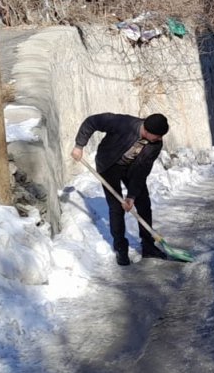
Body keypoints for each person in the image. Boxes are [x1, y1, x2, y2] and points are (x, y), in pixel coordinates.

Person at [71, 112, 170, 266]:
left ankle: (148, 246)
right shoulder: (123, 123)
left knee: (143, 203)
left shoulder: (155, 144)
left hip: (133, 168)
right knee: (116, 207)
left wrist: (131, 196)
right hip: (109, 164)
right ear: (147, 131)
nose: (160, 139)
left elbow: (142, 170)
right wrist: (79, 146)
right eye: (158, 136)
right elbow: (92, 122)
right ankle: (120, 249)